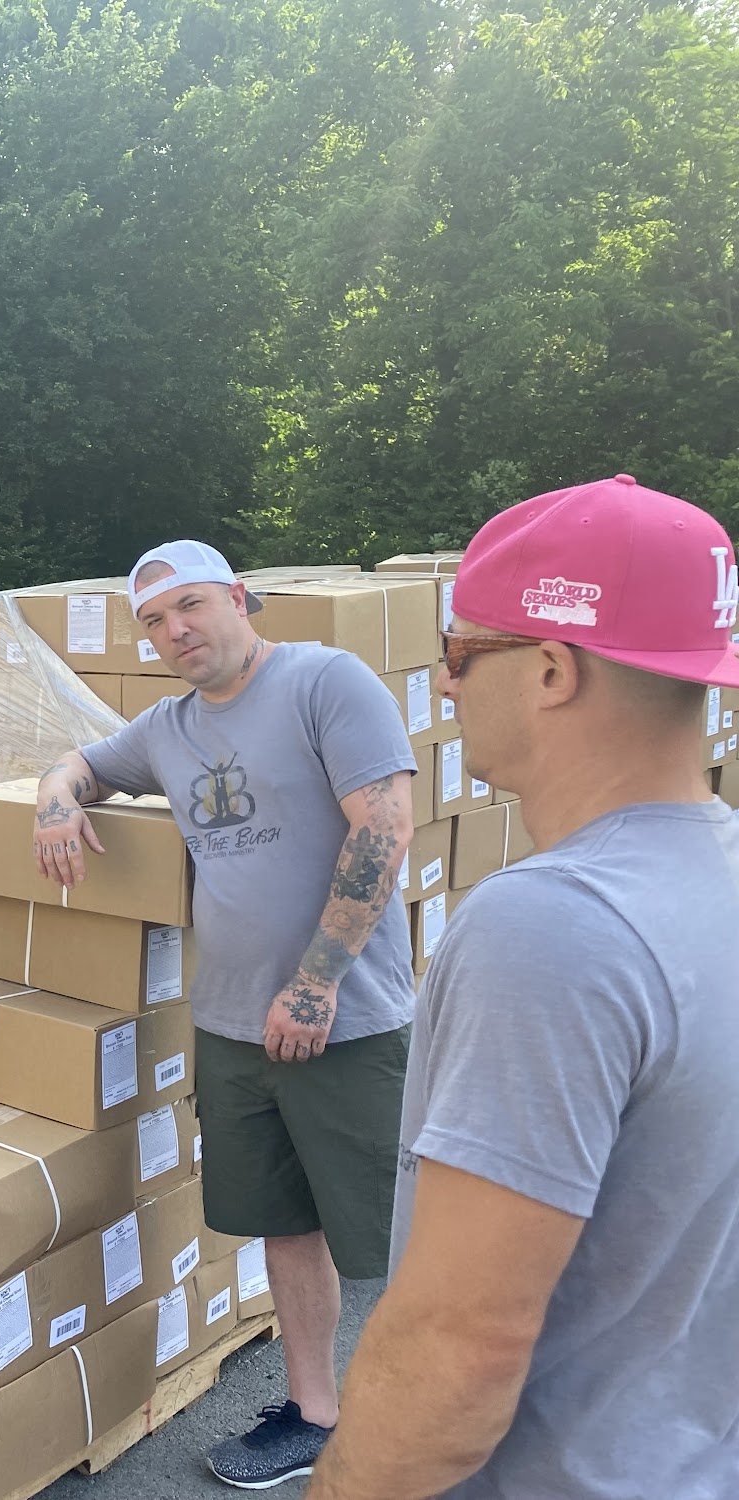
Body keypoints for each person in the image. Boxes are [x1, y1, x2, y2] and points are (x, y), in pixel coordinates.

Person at [307, 475, 739, 1500]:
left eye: (459, 654)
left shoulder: (552, 927)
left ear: (550, 669)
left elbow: (460, 1348)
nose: (445, 686)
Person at [32, 541, 415, 1490]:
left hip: (345, 1021)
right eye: (154, 622)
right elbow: (79, 762)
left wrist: (317, 981)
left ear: (240, 599)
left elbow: (383, 827)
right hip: (234, 1027)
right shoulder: (167, 728)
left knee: (400, 1236)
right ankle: (315, 1415)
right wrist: (54, 804)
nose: (175, 632)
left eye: (191, 606)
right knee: (288, 1226)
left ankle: (435, 1429)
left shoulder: (326, 682)